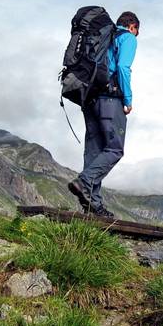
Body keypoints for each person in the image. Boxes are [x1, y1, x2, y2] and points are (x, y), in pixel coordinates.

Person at [68, 11, 139, 217]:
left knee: (94, 151)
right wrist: (128, 99)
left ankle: (93, 206)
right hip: (110, 99)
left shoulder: (101, 38)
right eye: (137, 32)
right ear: (133, 26)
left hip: (89, 98)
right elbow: (124, 68)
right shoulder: (127, 38)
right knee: (115, 149)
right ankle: (84, 181)